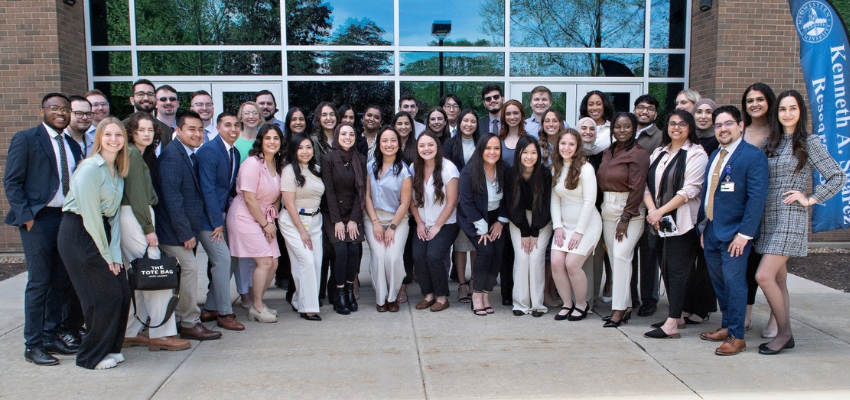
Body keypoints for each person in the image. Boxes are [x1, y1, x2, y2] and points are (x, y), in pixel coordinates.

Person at [754, 90, 845, 354]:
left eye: (792, 108)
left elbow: (837, 176)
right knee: (779, 280)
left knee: (764, 275)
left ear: (800, 111)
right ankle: (784, 332)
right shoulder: (769, 143)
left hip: (790, 216)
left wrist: (810, 198)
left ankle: (784, 334)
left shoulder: (809, 142)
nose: (787, 113)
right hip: (768, 217)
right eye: (782, 109)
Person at [5, 93, 84, 366]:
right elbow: (12, 182)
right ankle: (33, 344)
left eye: (65, 109)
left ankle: (51, 336)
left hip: (66, 219)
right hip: (38, 220)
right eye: (54, 108)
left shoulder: (72, 145)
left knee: (60, 282)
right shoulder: (26, 139)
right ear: (43, 110)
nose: (60, 113)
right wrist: (27, 218)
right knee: (39, 282)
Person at [56, 117, 130, 370]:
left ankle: (109, 348)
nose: (113, 139)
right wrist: (107, 257)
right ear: (99, 138)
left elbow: (115, 218)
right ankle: (90, 356)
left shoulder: (117, 170)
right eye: (108, 134)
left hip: (102, 231)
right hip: (79, 233)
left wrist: (116, 254)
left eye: (118, 135)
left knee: (122, 291)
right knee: (103, 295)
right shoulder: (89, 168)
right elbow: (90, 216)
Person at [697, 105, 768, 356]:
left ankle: (737, 336)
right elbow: (709, 193)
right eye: (718, 125)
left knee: (735, 283)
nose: (722, 129)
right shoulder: (716, 154)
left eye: (728, 124)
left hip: (737, 234)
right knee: (720, 283)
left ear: (741, 126)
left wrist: (744, 234)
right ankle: (727, 326)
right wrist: (704, 227)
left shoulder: (752, 156)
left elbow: (756, 198)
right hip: (713, 230)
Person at [120, 112, 192, 352]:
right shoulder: (131, 153)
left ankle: (129, 331)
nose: (147, 134)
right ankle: (162, 333)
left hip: (136, 216)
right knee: (155, 272)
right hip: (135, 218)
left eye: (150, 130)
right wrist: (150, 231)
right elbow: (138, 197)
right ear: (131, 132)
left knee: (138, 276)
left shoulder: (140, 155)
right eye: (141, 130)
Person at [154, 111, 223, 341]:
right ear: (178, 131)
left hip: (184, 231)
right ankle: (190, 322)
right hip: (173, 233)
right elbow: (172, 200)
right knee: (190, 270)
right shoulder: (172, 157)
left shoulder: (188, 154)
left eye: (200, 129)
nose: (197, 133)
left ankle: (176, 320)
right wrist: (185, 233)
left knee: (182, 275)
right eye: (191, 129)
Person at [641, 110, 709, 339]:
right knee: (666, 267)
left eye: (682, 124)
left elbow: (690, 190)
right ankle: (677, 315)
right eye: (672, 124)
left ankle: (671, 325)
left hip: (682, 222)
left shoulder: (696, 154)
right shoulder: (659, 152)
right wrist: (653, 211)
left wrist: (660, 211)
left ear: (690, 127)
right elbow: (645, 186)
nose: (676, 128)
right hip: (659, 221)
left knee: (678, 271)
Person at [597, 112, 649, 327]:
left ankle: (618, 310)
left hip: (629, 211)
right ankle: (626, 304)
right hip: (607, 210)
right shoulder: (608, 151)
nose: (621, 130)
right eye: (617, 127)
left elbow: (638, 188)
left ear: (635, 129)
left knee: (620, 256)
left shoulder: (638, 154)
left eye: (626, 127)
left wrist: (626, 216)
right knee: (614, 260)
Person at [195, 112, 246, 331]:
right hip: (206, 217)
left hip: (222, 213)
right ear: (217, 127)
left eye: (236, 125)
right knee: (223, 260)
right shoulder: (209, 150)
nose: (233, 129)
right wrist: (216, 221)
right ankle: (225, 313)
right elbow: (206, 188)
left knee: (232, 258)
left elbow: (227, 187)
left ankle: (210, 308)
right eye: (227, 125)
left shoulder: (233, 151)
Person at [228, 124, 284, 323]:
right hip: (245, 216)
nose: (272, 142)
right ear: (260, 140)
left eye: (276, 138)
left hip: (264, 217)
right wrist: (265, 224)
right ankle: (257, 307)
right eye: (268, 138)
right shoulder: (252, 163)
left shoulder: (276, 163)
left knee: (274, 263)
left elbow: (277, 195)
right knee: (265, 261)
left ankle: (257, 302)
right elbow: (250, 199)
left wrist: (272, 215)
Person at [550, 129, 602, 321]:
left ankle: (581, 305)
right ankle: (567, 304)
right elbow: (555, 199)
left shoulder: (586, 169)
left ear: (577, 147)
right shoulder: (555, 167)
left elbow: (590, 202)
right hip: (564, 225)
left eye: (571, 144)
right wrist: (558, 226)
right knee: (556, 262)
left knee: (572, 264)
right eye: (563, 143)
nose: (566, 148)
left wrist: (579, 232)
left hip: (586, 225)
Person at [740, 83, 777, 336]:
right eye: (750, 100)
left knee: (775, 273)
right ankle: (746, 313)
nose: (754, 104)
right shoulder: (741, 130)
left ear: (769, 102)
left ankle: (777, 318)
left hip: (774, 208)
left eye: (760, 99)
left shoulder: (779, 133)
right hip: (745, 206)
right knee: (747, 264)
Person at [457, 134, 508, 316]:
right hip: (474, 218)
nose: (492, 152)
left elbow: (509, 199)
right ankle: (476, 295)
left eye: (496, 148)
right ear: (481, 150)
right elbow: (466, 203)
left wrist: (501, 222)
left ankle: (486, 294)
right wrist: (482, 228)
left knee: (498, 253)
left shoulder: (504, 169)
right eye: (488, 148)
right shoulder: (469, 172)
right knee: (486, 251)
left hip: (496, 218)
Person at [410, 132, 460, 312]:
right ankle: (428, 295)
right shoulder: (413, 168)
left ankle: (441, 297)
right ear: (417, 148)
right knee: (418, 256)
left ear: (437, 146)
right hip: (423, 222)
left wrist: (437, 226)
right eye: (422, 145)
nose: (426, 149)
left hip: (446, 223)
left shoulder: (449, 168)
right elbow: (411, 200)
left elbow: (452, 201)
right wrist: (420, 223)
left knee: (433, 256)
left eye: (430, 144)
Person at [364, 127, 412, 312]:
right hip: (373, 218)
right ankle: (381, 298)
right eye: (384, 140)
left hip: (397, 220)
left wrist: (392, 227)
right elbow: (367, 197)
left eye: (393, 140)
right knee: (379, 256)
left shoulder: (404, 171)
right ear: (379, 144)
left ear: (399, 144)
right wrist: (376, 223)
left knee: (392, 257)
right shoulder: (370, 166)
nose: (389, 144)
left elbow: (405, 203)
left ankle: (393, 296)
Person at [321, 123, 367, 315]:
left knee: (354, 250)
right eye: (344, 134)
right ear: (337, 136)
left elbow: (361, 192)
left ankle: (349, 290)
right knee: (341, 250)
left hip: (353, 214)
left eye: (351, 134)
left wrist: (354, 219)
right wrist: (338, 220)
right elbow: (329, 191)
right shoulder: (328, 159)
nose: (347, 137)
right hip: (333, 215)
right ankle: (339, 293)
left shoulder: (361, 159)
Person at [279, 133, 325, 321]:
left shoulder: (317, 169)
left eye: (308, 147)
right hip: (294, 221)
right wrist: (302, 230)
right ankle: (309, 308)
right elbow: (289, 204)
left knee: (314, 263)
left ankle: (299, 299)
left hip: (315, 220)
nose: (305, 151)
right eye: (300, 148)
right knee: (306, 261)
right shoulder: (289, 171)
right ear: (293, 150)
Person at [504, 136, 552, 317]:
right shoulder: (510, 174)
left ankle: (537, 304)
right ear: (518, 154)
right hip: (518, 220)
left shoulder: (545, 174)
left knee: (536, 257)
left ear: (538, 155)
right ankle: (521, 304)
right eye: (525, 153)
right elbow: (512, 206)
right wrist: (525, 231)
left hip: (541, 221)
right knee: (523, 257)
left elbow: (544, 206)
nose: (529, 157)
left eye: (533, 153)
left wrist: (534, 231)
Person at [681, 98, 719, 325]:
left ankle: (703, 307)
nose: (703, 116)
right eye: (699, 112)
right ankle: (685, 304)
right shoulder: (689, 142)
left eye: (708, 112)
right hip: (687, 207)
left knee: (705, 261)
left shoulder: (718, 141)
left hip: (709, 208)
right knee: (686, 260)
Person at [443, 109, 480, 303]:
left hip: (478, 200)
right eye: (465, 120)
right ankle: (461, 284)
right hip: (457, 200)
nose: (469, 124)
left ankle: (474, 280)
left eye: (473, 121)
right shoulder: (449, 144)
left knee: (475, 243)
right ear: (459, 122)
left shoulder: (481, 143)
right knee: (459, 246)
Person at [632, 94, 663, 318]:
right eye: (640, 107)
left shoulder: (661, 137)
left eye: (649, 109)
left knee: (649, 253)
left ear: (655, 114)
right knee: (628, 253)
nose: (644, 111)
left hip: (651, 204)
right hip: (629, 205)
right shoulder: (624, 132)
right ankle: (630, 296)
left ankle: (649, 299)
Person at [497, 100, 530, 305]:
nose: (512, 117)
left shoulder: (528, 140)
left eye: (515, 113)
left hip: (522, 200)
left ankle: (523, 291)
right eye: (508, 113)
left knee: (522, 251)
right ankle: (507, 293)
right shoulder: (498, 141)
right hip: (502, 199)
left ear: (521, 115)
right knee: (505, 251)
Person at [578, 118, 607, 305]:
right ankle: (576, 298)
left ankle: (591, 298)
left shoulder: (603, 154)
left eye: (592, 129)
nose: (588, 131)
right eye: (583, 128)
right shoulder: (570, 152)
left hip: (596, 211)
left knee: (595, 259)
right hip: (572, 213)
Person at [392, 110, 418, 303]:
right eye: (399, 123)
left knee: (407, 248)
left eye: (406, 123)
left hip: (412, 204)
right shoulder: (387, 144)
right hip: (389, 205)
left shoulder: (417, 146)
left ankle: (403, 285)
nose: (403, 127)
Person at [124, 79, 173, 153]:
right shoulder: (122, 127)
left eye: (150, 94)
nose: (146, 98)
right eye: (140, 94)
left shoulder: (167, 130)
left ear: (156, 99)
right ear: (132, 100)